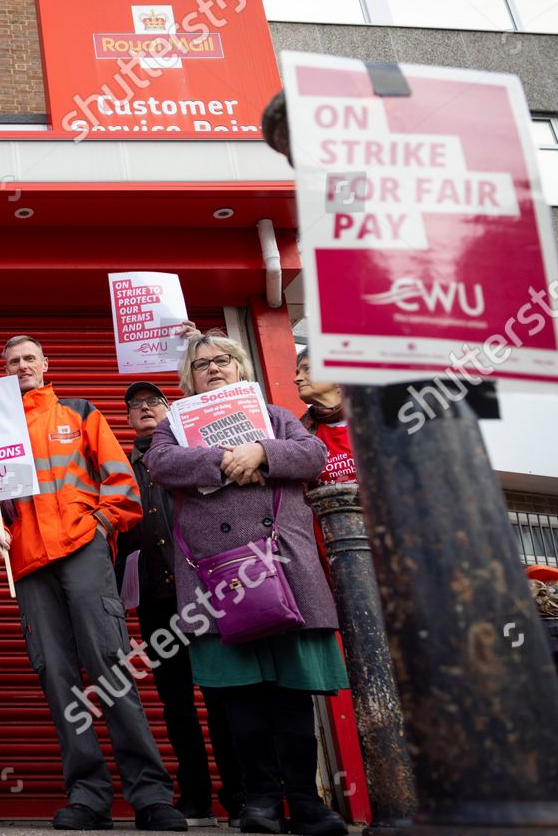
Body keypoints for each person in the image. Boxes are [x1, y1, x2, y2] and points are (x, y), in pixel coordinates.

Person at [0, 336, 186, 832]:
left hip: (81, 547)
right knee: (59, 676)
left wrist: (103, 525)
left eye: (29, 359)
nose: (21, 366)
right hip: (26, 559)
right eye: (12, 362)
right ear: (4, 371)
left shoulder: (80, 411)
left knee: (111, 666)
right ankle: (88, 796)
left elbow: (120, 481)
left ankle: (151, 796)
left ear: (46, 365)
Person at [142, 335, 348, 836]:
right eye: (201, 364)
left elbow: (313, 454)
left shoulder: (277, 416)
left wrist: (261, 451)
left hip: (285, 567)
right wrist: (228, 460)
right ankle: (259, 801)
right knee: (240, 694)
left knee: (292, 691)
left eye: (222, 361)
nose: (213, 369)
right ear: (188, 378)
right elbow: (160, 464)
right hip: (218, 575)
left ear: (239, 367)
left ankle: (305, 799)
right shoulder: (173, 425)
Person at [116, 380, 243, 828]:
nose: (145, 409)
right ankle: (194, 795)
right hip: (155, 600)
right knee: (175, 703)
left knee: (221, 693)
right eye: (136, 406)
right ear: (128, 418)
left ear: (171, 409)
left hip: (205, 592)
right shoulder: (121, 465)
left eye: (154, 402)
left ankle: (239, 793)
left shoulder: (192, 451)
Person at [294, 350, 355, 487]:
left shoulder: (377, 420)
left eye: (307, 370)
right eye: (297, 373)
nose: (297, 379)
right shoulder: (298, 433)